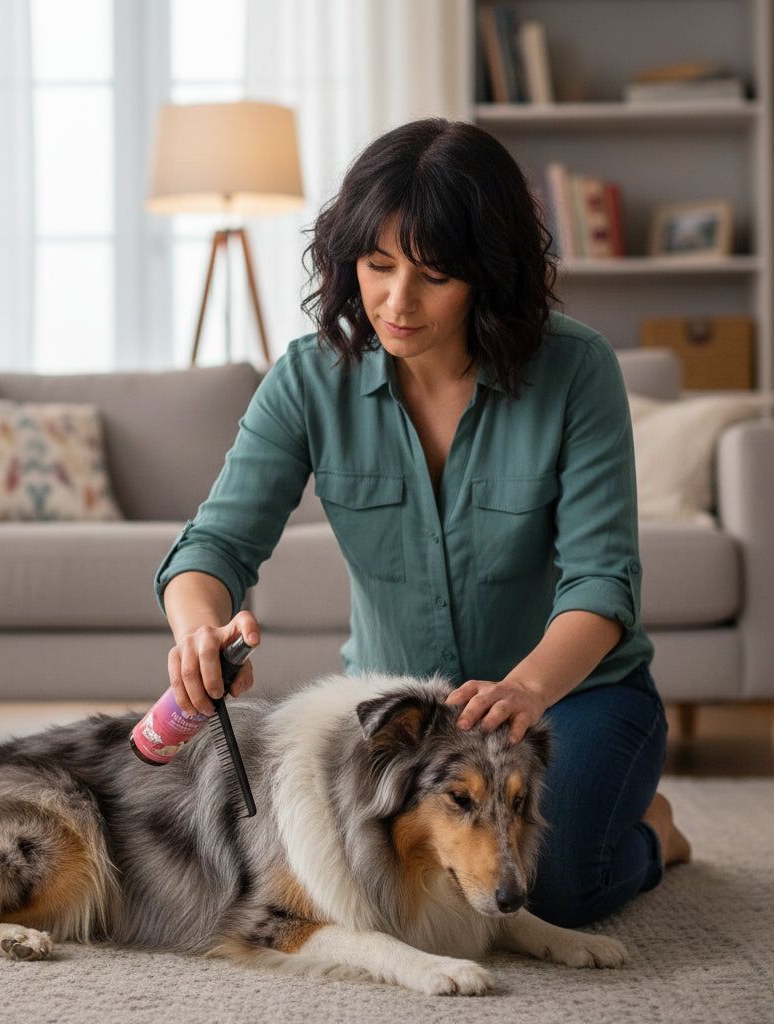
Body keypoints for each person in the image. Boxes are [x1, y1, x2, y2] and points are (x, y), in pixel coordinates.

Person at [152, 117, 690, 928]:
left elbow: (602, 582)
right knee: (344, 871)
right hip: (401, 718)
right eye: (377, 266)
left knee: (552, 888)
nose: (396, 303)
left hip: (570, 698)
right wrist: (198, 630)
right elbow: (214, 547)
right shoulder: (308, 380)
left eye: (434, 276)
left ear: (490, 275)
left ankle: (655, 831)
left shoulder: (578, 372)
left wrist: (527, 687)